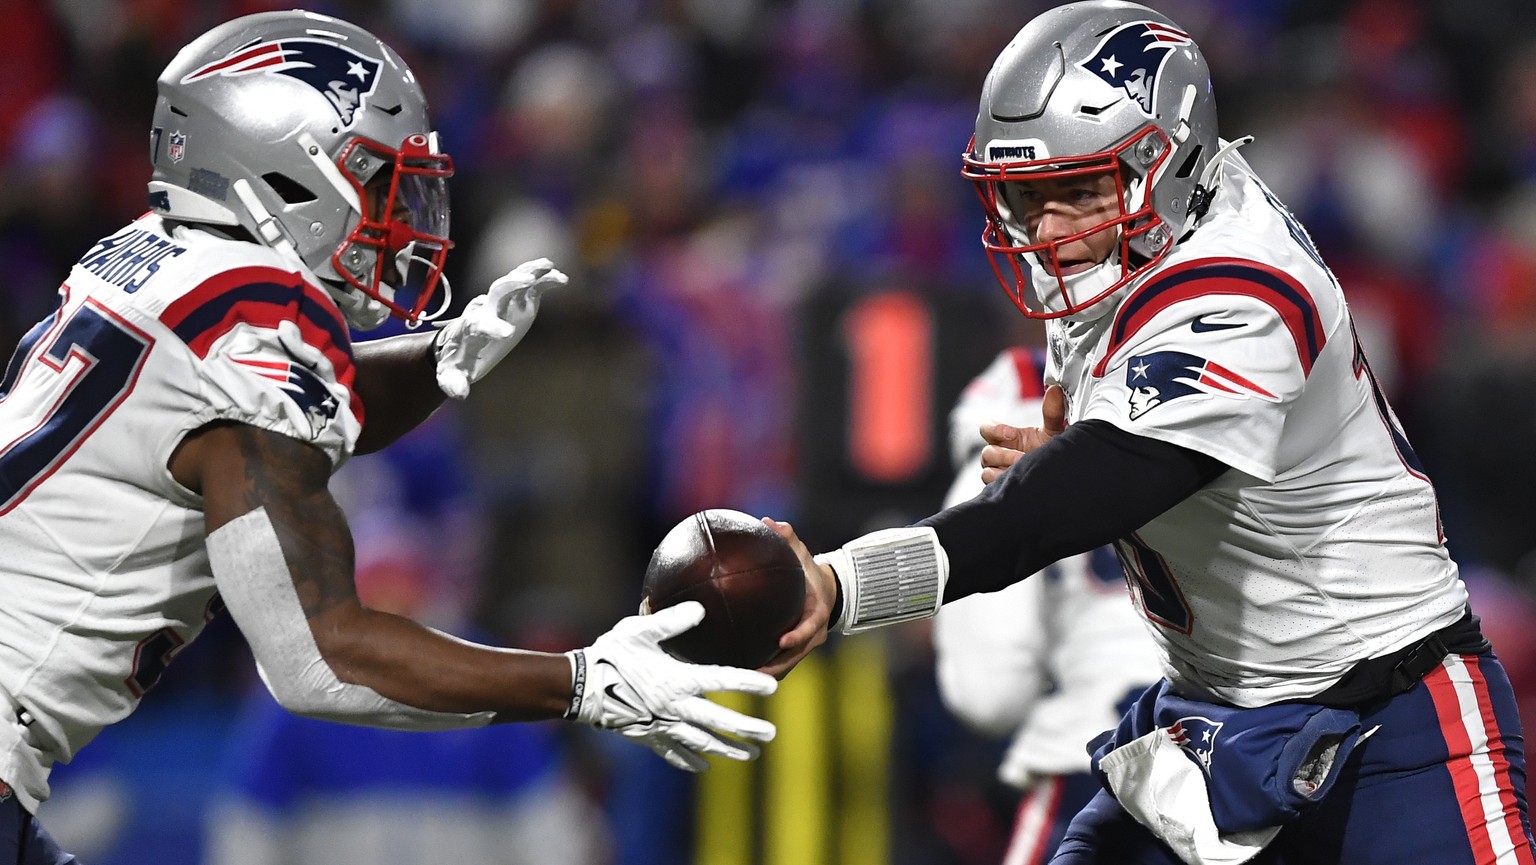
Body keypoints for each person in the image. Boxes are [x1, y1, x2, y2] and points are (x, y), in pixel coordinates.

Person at [764, 2, 1535, 863]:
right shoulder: (1135, 241)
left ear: (1168, 164)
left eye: (1077, 190)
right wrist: (1092, 462)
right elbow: (1110, 473)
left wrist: (843, 582)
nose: (1048, 233)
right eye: (1025, 196)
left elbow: (1082, 494)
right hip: (1209, 721)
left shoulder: (1245, 282)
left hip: (1389, 726)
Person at [0, 11, 775, 864]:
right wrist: (586, 681)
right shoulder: (257, 321)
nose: (399, 212)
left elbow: (251, 419)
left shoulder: (151, 254)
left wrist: (441, 358)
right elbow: (321, 658)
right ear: (284, 171)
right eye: (374, 177)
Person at [933, 346, 1161, 865]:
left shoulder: (993, 472)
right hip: (1247, 753)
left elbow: (988, 694)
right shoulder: (1178, 433)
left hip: (1098, 761)